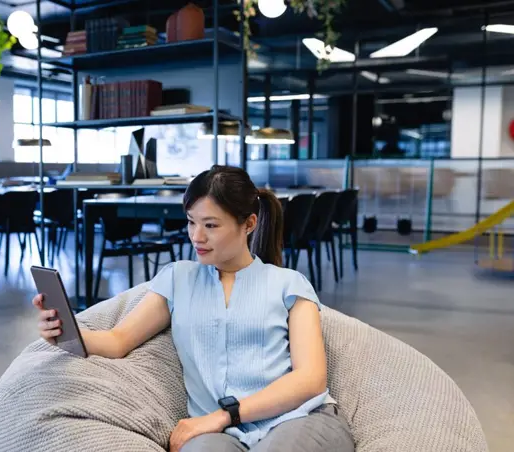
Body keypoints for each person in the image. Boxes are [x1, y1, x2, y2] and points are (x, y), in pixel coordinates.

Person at [33, 165, 354, 452]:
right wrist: (66, 330)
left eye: (211, 226)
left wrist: (224, 414)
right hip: (218, 433)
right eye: (191, 222)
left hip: (297, 419)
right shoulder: (178, 278)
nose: (196, 237)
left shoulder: (289, 283)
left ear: (249, 224)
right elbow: (118, 341)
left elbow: (311, 378)